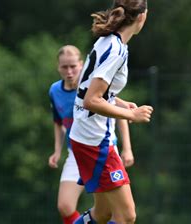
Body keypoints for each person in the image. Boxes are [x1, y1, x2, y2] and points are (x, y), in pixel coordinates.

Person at [69, 0, 152, 223]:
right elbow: (91, 100)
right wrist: (132, 115)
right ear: (142, 17)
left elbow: (90, 88)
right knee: (126, 216)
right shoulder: (116, 50)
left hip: (85, 136)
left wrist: (120, 103)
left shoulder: (108, 42)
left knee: (103, 214)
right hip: (95, 141)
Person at [48, 45, 136, 224]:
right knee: (66, 206)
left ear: (82, 65)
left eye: (73, 66)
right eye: (65, 67)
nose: (70, 71)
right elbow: (58, 122)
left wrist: (127, 148)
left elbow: (118, 111)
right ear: (58, 67)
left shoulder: (91, 85)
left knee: (112, 214)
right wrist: (57, 150)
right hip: (78, 153)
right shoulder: (55, 91)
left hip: (103, 149)